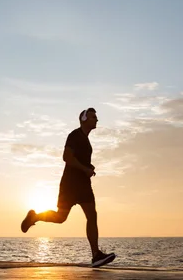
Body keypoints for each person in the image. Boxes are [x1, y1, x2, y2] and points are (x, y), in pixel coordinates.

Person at [20, 108, 116, 268]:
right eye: (93, 117)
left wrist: (88, 167)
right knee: (60, 218)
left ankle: (96, 255)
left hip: (84, 185)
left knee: (92, 216)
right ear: (84, 119)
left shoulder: (85, 140)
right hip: (70, 184)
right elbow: (66, 158)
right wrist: (85, 169)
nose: (97, 120)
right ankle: (35, 217)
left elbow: (78, 159)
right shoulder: (75, 136)